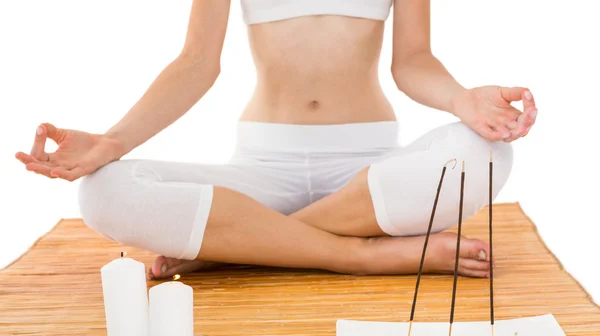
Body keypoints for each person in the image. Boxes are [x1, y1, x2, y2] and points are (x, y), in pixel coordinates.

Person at [15, 0, 537, 281]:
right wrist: (112, 142)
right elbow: (197, 61)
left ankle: (239, 250)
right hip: (262, 168)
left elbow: (414, 60)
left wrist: (461, 99)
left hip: (369, 173)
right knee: (104, 192)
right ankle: (365, 256)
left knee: (486, 150)